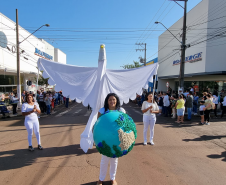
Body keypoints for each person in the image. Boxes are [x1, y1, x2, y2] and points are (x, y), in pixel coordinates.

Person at [96, 93, 125, 185]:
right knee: (104, 159)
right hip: (105, 138)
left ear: (116, 100)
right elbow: (98, 125)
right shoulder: (102, 110)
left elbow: (125, 124)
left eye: (113, 99)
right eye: (110, 100)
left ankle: (113, 178)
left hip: (116, 138)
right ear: (107, 101)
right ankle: (101, 179)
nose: (112, 101)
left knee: (114, 159)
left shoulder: (121, 110)